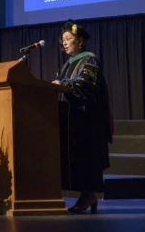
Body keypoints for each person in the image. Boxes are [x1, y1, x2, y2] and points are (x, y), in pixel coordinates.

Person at [52, 20, 112, 214]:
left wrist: (65, 84)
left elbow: (88, 85)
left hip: (86, 121)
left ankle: (89, 195)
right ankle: (86, 196)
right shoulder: (65, 66)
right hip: (70, 120)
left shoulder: (90, 60)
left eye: (69, 39)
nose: (65, 43)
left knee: (86, 158)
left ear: (80, 41)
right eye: (63, 40)